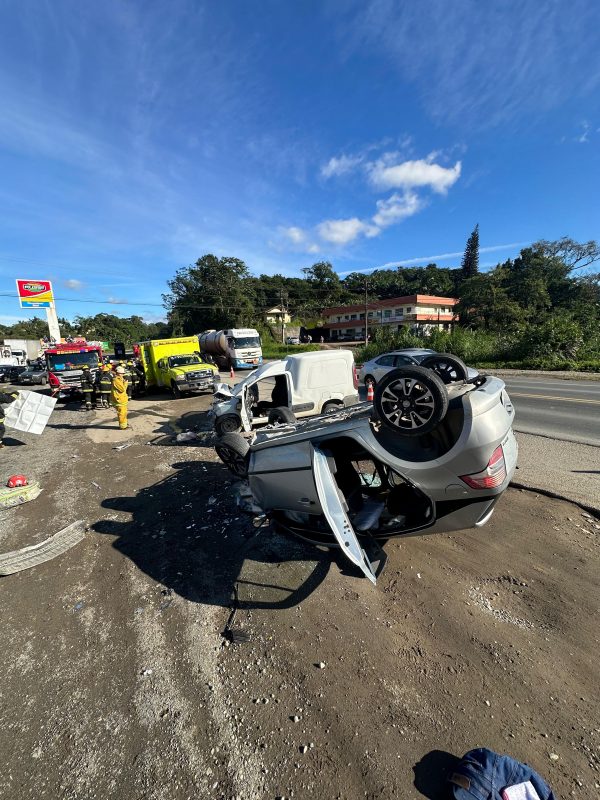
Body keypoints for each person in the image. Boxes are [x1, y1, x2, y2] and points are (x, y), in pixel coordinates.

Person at [111, 365, 129, 430]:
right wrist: (126, 383)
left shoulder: (120, 379)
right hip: (119, 399)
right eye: (122, 373)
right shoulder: (116, 380)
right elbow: (122, 389)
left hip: (122, 398)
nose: (123, 375)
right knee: (122, 413)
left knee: (123, 413)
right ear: (118, 373)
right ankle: (123, 426)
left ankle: (124, 424)